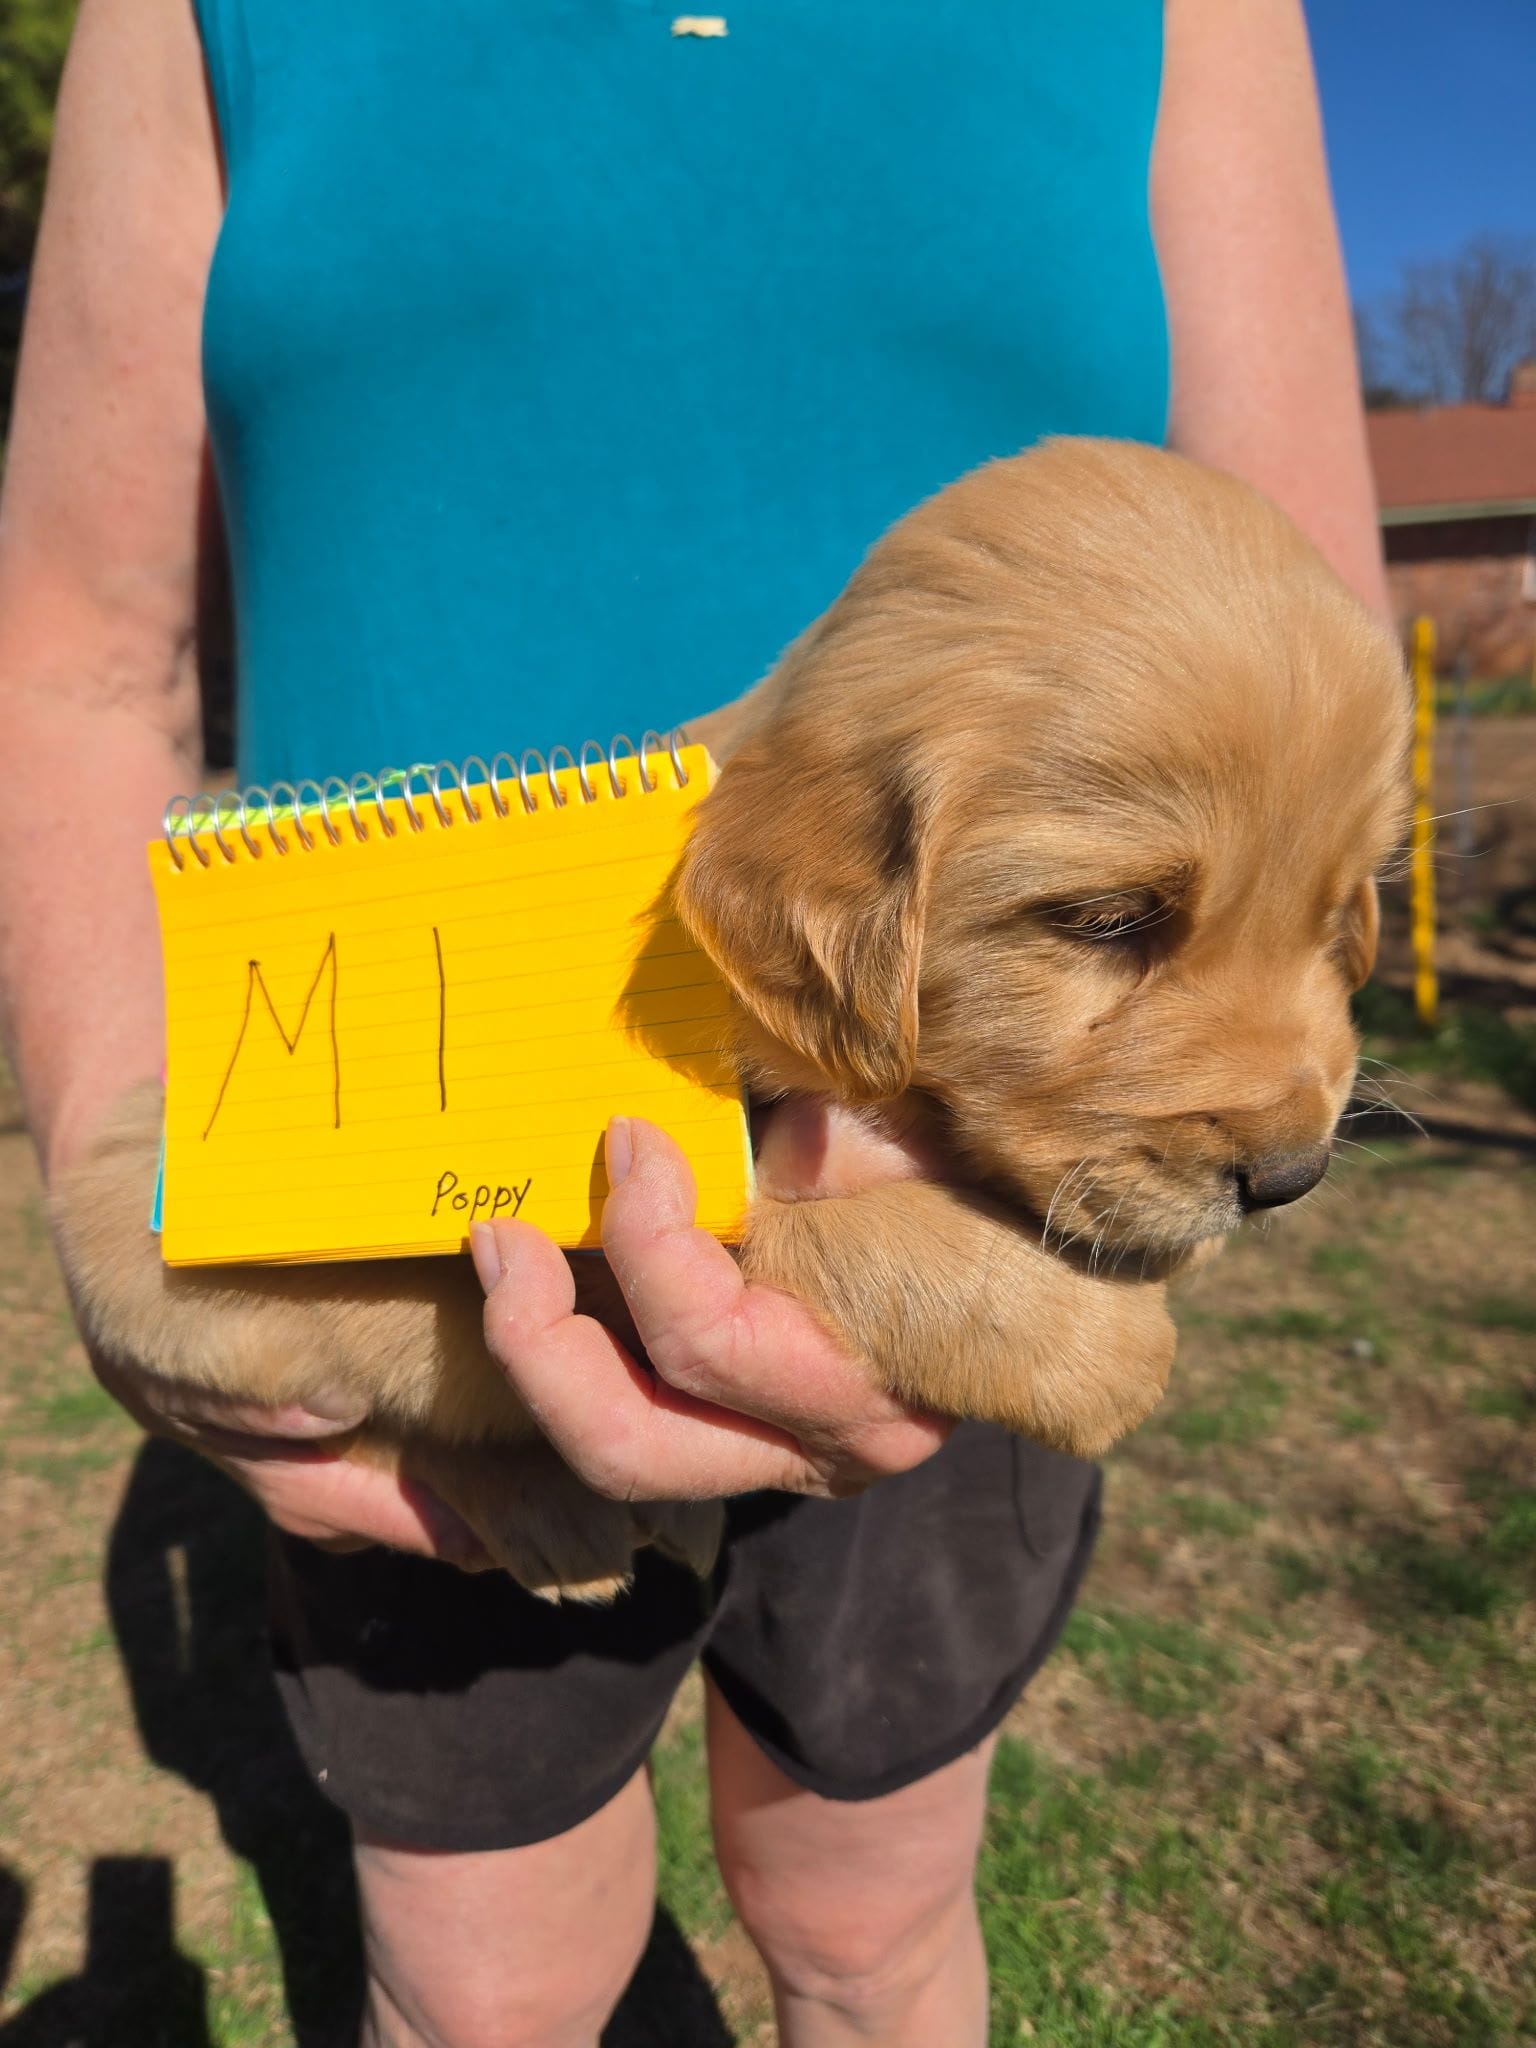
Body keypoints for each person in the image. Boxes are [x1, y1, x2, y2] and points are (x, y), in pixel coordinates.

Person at [0, 0, 1390, 2041]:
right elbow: (82, 652)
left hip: (983, 1204)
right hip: (393, 1221)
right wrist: (153, 1204)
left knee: (871, 1931)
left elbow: (1315, 629)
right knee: (479, 1994)